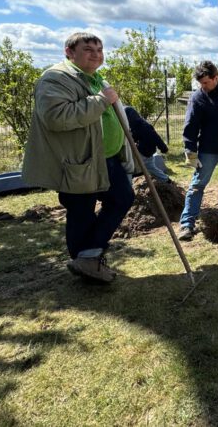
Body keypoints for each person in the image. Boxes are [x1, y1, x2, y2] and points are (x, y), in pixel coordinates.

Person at [22, 32, 135, 284]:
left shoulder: (95, 78)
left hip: (107, 158)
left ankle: (88, 257)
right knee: (81, 212)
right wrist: (101, 101)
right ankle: (86, 264)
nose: (96, 54)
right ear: (69, 52)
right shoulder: (55, 78)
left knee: (123, 198)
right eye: (88, 49)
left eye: (99, 49)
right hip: (79, 161)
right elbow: (56, 117)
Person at [178, 61, 218, 241]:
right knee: (197, 185)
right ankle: (187, 224)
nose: (202, 86)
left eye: (205, 82)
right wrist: (190, 150)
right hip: (209, 149)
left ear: (216, 77)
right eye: (200, 83)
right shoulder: (198, 98)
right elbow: (191, 126)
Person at [124, 105, 171, 183]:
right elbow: (135, 137)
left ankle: (128, 185)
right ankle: (165, 179)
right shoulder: (136, 125)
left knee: (129, 168)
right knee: (150, 166)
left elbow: (156, 137)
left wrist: (163, 148)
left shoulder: (143, 126)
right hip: (148, 151)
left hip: (144, 151)